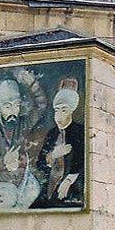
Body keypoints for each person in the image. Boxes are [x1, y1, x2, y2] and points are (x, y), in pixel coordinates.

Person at [0, 78, 42, 210]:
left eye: (16, 106)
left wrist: (32, 84)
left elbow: (41, 106)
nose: (13, 111)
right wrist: (3, 162)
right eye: (8, 106)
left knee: (35, 190)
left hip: (23, 187)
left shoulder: (24, 123)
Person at [31, 78, 84, 209]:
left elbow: (82, 162)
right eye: (57, 110)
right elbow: (40, 164)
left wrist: (68, 181)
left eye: (64, 110)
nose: (59, 116)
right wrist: (53, 155)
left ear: (71, 111)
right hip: (49, 186)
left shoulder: (80, 131)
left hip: (71, 187)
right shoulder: (52, 134)